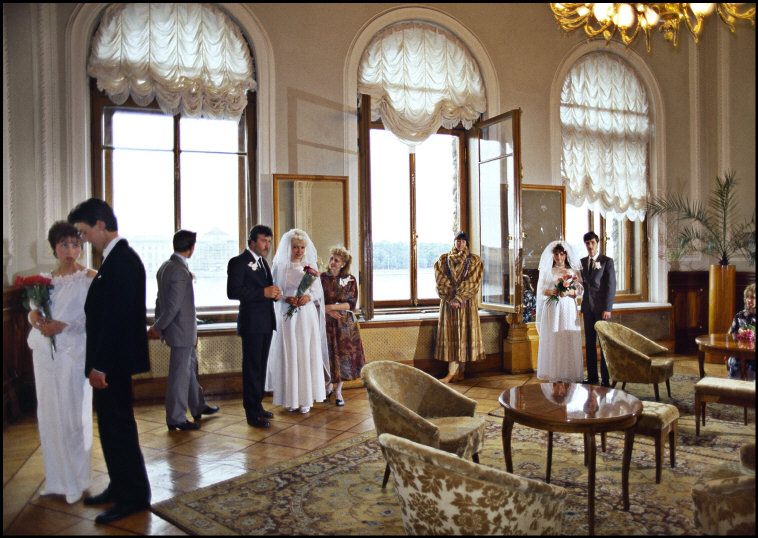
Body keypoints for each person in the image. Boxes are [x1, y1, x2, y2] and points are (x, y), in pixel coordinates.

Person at [67, 198, 151, 524]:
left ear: (101, 225)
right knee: (112, 429)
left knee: (119, 430)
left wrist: (99, 365)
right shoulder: (113, 259)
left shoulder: (123, 261)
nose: (84, 238)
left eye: (85, 231)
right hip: (110, 361)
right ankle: (120, 486)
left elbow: (115, 320)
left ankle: (133, 497)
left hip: (113, 363)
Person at [26, 221, 95, 504]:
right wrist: (35, 318)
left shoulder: (90, 277)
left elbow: (93, 315)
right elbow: (33, 310)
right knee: (49, 415)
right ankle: (56, 479)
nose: (71, 250)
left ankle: (77, 480)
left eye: (76, 244)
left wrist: (63, 326)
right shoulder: (44, 280)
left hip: (73, 353)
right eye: (65, 244)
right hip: (45, 354)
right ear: (55, 247)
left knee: (72, 417)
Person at [149, 230, 219, 431]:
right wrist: (158, 326)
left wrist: (159, 324)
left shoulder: (165, 267)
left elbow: (159, 301)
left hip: (176, 330)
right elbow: (173, 306)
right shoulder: (180, 271)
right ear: (191, 248)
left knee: (188, 370)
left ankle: (198, 405)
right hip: (181, 332)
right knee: (179, 376)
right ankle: (176, 418)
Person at [265, 229, 330, 413]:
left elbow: (317, 292)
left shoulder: (310, 267)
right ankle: (290, 398)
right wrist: (286, 298)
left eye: (302, 247)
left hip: (305, 314)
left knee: (305, 350)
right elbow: (275, 292)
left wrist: (307, 297)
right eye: (295, 247)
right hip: (288, 313)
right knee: (290, 351)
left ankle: (306, 399)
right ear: (289, 247)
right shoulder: (280, 267)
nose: (299, 251)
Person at [227, 225, 282, 428]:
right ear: (252, 241)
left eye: (269, 241)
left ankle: (257, 405)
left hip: (266, 323)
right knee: (251, 368)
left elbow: (266, 290)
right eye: (263, 241)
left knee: (260, 367)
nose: (267, 244)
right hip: (251, 324)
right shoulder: (238, 262)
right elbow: (233, 291)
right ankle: (251, 413)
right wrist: (263, 293)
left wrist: (274, 294)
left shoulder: (264, 263)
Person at [433, 231, 485, 383]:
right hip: (449, 305)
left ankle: (459, 372)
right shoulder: (443, 260)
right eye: (457, 240)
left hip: (466, 304)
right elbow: (440, 280)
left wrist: (460, 297)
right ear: (454, 241)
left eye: (463, 241)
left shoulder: (475, 261)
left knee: (463, 336)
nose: (460, 243)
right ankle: (451, 373)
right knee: (452, 337)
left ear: (466, 243)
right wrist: (451, 298)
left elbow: (473, 282)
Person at [320, 246, 366, 407]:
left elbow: (351, 304)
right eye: (331, 258)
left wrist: (331, 308)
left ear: (343, 263)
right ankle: (327, 387)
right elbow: (317, 301)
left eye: (336, 260)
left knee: (343, 357)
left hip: (344, 326)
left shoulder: (350, 279)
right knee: (327, 355)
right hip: (325, 323)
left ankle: (338, 390)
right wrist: (326, 309)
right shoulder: (321, 278)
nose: (332, 262)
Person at [535, 240, 584, 382]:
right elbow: (542, 290)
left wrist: (567, 292)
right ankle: (554, 372)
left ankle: (568, 372)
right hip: (553, 308)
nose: (559, 257)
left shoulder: (572, 271)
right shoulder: (548, 271)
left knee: (566, 336)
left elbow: (579, 291)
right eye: (556, 254)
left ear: (565, 255)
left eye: (561, 254)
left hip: (568, 308)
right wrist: (554, 291)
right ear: (553, 255)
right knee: (554, 337)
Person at [580, 231, 616, 387]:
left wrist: (608, 308)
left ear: (597, 243)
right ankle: (592, 377)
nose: (590, 246)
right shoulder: (581, 262)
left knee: (603, 344)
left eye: (592, 242)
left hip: (602, 310)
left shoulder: (607, 261)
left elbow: (611, 286)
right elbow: (580, 285)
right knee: (589, 343)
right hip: (587, 309)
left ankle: (606, 379)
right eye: (587, 243)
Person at [727, 283, 756, 380]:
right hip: (739, 353)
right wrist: (737, 333)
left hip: (754, 354)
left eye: (752, 297)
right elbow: (730, 336)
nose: (749, 300)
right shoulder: (739, 316)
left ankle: (750, 391)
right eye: (747, 297)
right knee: (734, 361)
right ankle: (735, 390)